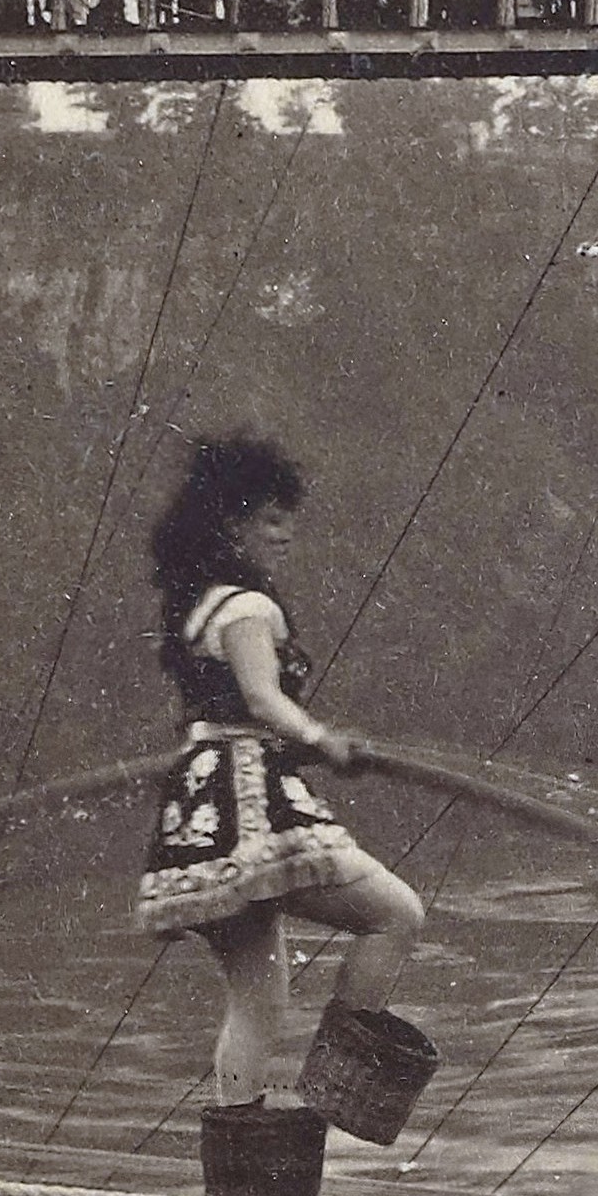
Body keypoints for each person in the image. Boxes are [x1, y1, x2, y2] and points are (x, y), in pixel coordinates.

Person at [134, 436, 427, 1138]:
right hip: (248, 805)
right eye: (270, 520)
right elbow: (263, 701)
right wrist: (323, 740)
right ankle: (341, 1081)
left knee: (258, 999)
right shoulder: (246, 609)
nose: (285, 533)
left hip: (200, 811)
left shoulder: (198, 608)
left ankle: (240, 1154)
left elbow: (225, 711)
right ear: (232, 524)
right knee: (397, 915)